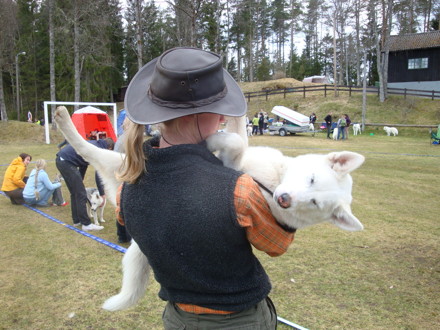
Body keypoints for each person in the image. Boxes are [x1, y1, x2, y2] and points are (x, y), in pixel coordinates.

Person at [117, 47, 294, 329]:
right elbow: (277, 245)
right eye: (219, 111)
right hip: (239, 322)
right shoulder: (237, 188)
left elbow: (127, 228)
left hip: (177, 320)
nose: (223, 119)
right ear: (198, 114)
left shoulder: (128, 182)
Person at [55, 138, 114, 231]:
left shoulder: (95, 144)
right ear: (109, 148)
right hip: (66, 162)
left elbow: (83, 164)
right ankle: (86, 224)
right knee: (81, 193)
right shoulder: (98, 150)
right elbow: (98, 173)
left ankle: (77, 220)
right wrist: (102, 194)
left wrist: (80, 180)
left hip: (61, 160)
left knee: (75, 192)